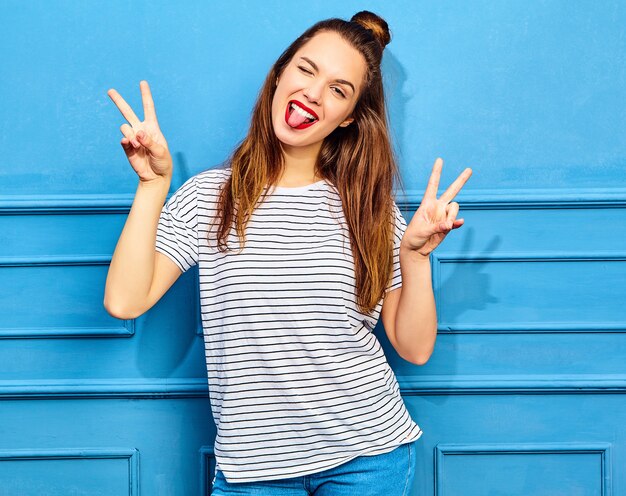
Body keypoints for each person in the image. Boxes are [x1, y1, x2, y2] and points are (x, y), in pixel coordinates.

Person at [104, 10, 472, 496]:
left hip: (369, 460)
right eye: (306, 69)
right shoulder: (210, 196)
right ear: (280, 74)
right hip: (254, 472)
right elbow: (125, 301)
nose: (315, 94)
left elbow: (414, 347)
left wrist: (416, 257)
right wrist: (152, 186)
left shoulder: (369, 210)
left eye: (339, 90)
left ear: (349, 119)